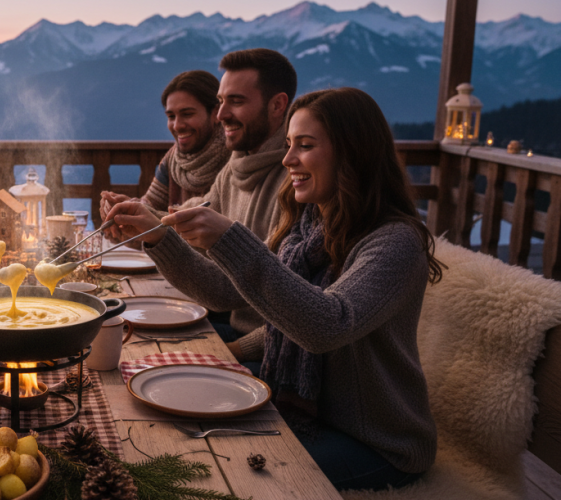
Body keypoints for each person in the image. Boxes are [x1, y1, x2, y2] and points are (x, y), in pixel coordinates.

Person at [106, 87, 442, 490]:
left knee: (208, 464)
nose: (288, 160)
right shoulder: (307, 225)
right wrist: (158, 238)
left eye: (305, 145)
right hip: (306, 401)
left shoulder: (394, 243)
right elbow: (224, 293)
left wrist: (229, 239)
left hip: (373, 441)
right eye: (288, 144)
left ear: (352, 153)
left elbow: (327, 326)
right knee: (164, 411)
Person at [106, 48, 297, 343]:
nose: (221, 115)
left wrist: (236, 352)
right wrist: (144, 219)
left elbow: (284, 306)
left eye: (236, 101)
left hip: (264, 347)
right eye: (221, 102)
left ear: (277, 105)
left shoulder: (296, 181)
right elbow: (193, 214)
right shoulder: (236, 166)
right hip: (234, 326)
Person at [99, 70, 230, 217]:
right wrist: (129, 209)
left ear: (216, 113)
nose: (177, 125)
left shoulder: (235, 158)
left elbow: (208, 224)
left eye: (187, 114)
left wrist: (142, 215)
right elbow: (151, 205)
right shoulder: (173, 161)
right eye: (171, 116)